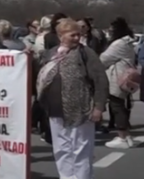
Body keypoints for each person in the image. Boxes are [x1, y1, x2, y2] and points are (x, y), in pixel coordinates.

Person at [37, 18, 108, 179]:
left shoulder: (86, 53)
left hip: (81, 109)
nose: (77, 38)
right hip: (55, 109)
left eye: (78, 35)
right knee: (61, 148)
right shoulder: (51, 53)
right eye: (72, 35)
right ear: (60, 35)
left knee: (81, 149)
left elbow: (100, 80)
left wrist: (98, 107)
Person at [100, 17, 139, 149]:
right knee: (121, 106)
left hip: (117, 77)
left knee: (117, 106)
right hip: (124, 76)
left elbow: (104, 59)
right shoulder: (128, 42)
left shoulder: (119, 44)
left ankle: (122, 136)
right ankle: (126, 136)